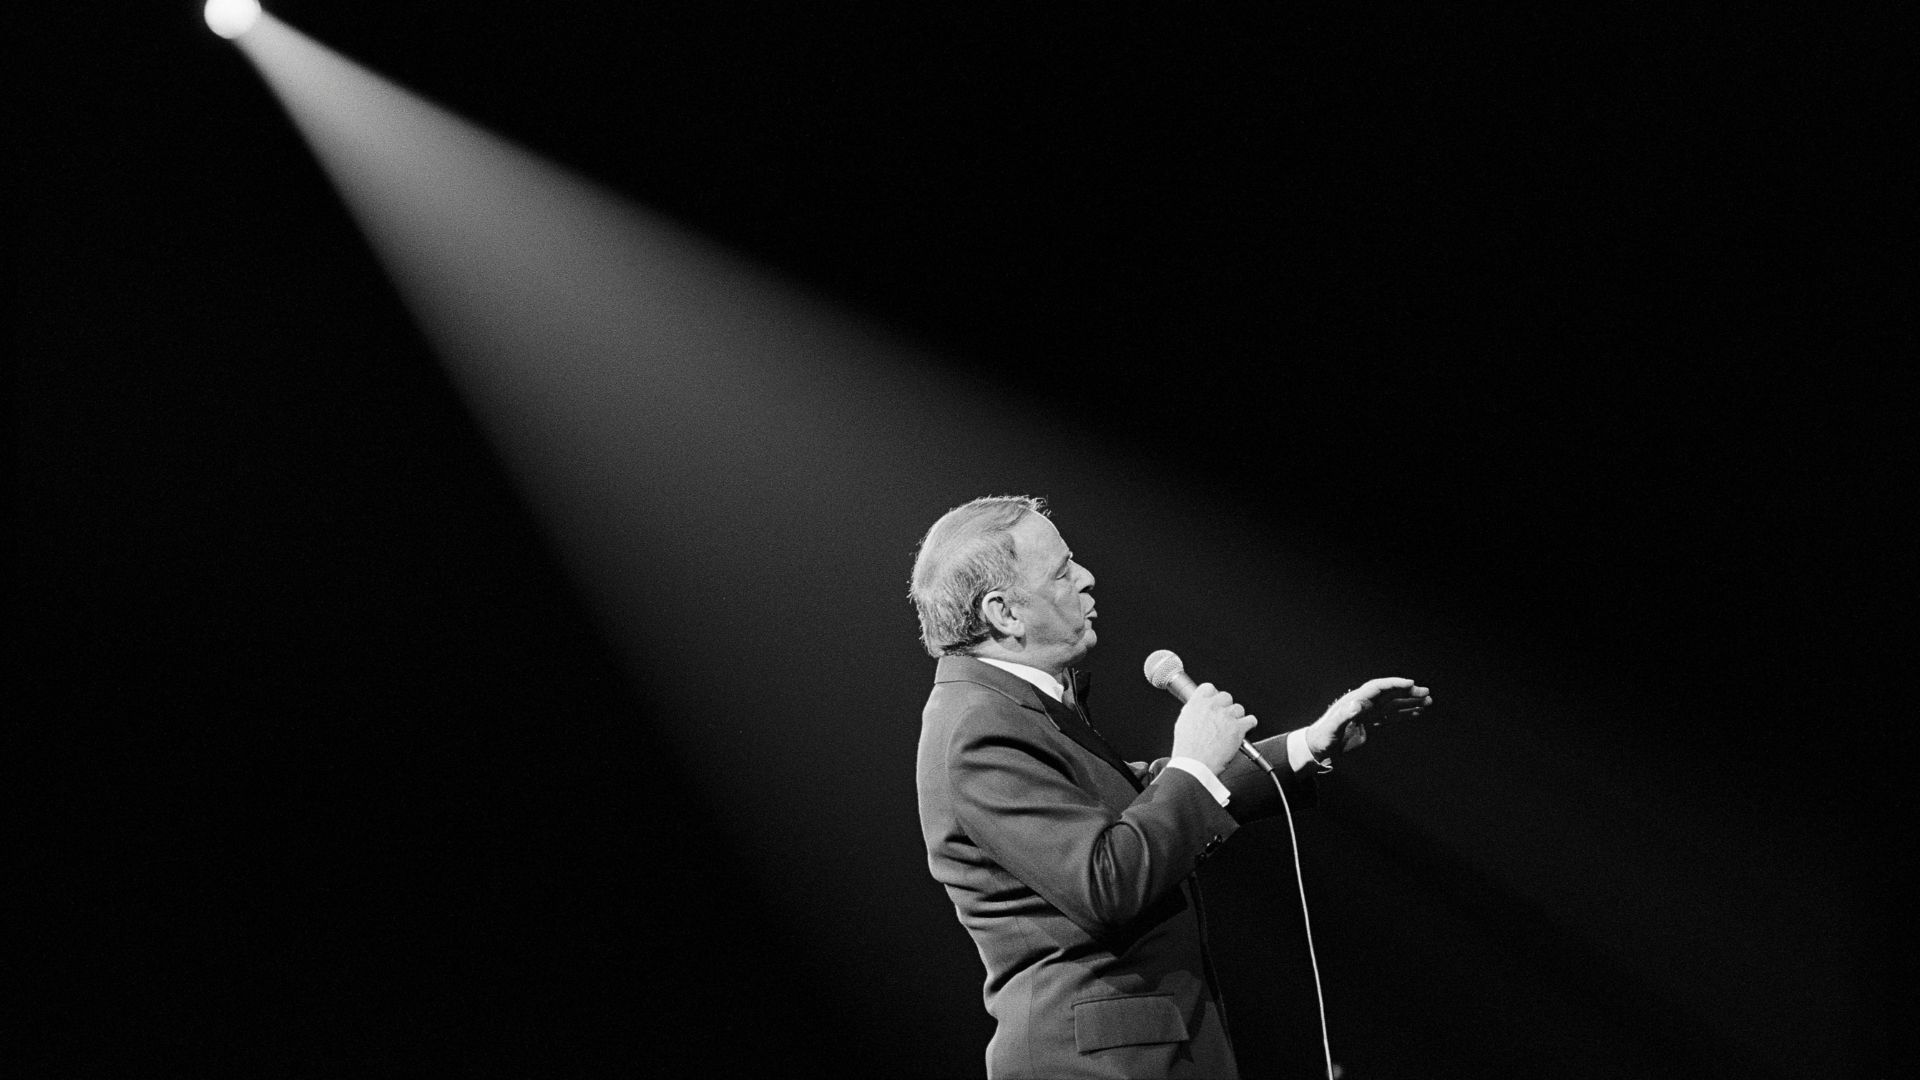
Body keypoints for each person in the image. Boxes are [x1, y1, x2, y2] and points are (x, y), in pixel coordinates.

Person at [911, 495, 1430, 1079]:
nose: (1086, 578)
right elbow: (1108, 879)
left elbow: (1139, 797)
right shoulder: (977, 726)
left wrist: (1310, 743)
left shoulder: (1016, 707)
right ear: (1004, 613)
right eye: (1061, 571)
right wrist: (1192, 766)